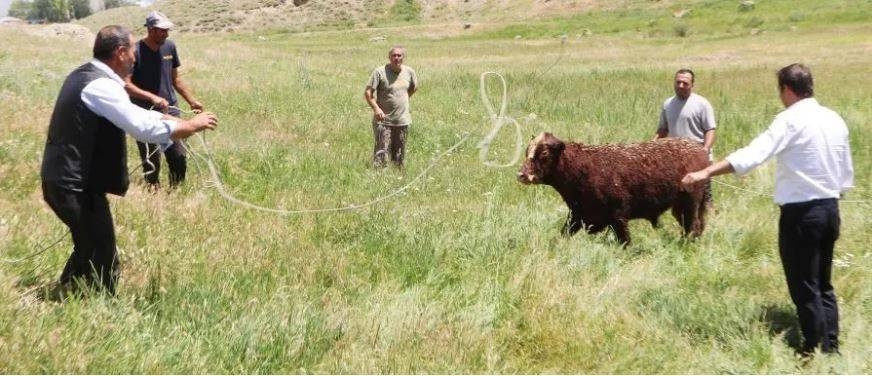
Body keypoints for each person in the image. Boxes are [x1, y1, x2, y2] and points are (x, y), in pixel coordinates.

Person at [681, 64, 854, 355]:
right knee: (823, 282)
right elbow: (845, 169)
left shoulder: (789, 120)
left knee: (804, 284)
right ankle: (831, 346)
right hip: (830, 208)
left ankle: (814, 349)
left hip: (802, 214)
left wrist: (705, 173)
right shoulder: (834, 118)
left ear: (786, 89)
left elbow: (752, 155)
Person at [40, 25, 217, 297]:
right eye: (132, 50)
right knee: (103, 254)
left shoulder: (89, 76)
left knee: (89, 244)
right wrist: (191, 127)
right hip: (73, 185)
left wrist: (178, 121)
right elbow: (141, 127)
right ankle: (102, 307)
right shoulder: (101, 85)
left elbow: (134, 113)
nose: (135, 56)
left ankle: (63, 293)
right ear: (121, 53)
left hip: (67, 181)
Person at [125, 11, 204, 189]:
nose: (166, 34)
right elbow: (126, 85)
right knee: (151, 161)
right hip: (144, 112)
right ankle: (153, 193)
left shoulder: (170, 47)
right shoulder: (135, 51)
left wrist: (192, 101)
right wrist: (152, 97)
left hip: (171, 110)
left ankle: (176, 193)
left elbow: (175, 79)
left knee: (178, 156)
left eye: (167, 30)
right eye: (162, 30)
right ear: (151, 30)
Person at [654, 68, 717, 204]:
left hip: (698, 158)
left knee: (703, 197)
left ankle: (711, 219)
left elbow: (710, 130)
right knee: (677, 197)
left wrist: (704, 150)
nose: (681, 86)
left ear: (692, 85)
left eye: (685, 83)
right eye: (678, 82)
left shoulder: (702, 104)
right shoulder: (668, 104)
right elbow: (663, 129)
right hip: (676, 160)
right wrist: (652, 146)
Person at [364, 46, 418, 168]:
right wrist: (376, 109)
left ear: (403, 58)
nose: (396, 58)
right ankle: (379, 178)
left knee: (399, 154)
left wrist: (403, 98)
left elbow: (414, 87)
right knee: (382, 153)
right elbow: (368, 93)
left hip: (403, 120)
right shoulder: (380, 72)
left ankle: (397, 177)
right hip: (384, 121)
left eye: (399, 55)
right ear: (389, 57)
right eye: (393, 55)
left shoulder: (409, 72)